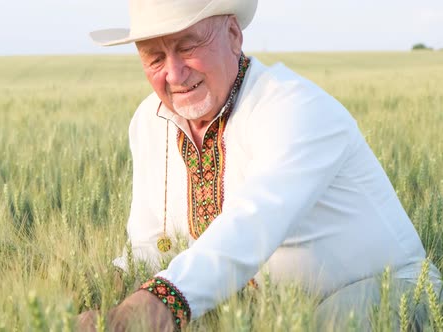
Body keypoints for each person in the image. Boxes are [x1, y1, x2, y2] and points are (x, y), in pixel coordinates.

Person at [80, 0, 441, 330]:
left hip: (388, 293)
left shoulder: (293, 106)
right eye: (154, 58)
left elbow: (252, 224)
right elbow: (148, 241)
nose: (173, 74)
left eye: (187, 46)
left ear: (234, 35)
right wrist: (96, 294)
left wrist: (159, 303)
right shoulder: (148, 121)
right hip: (268, 312)